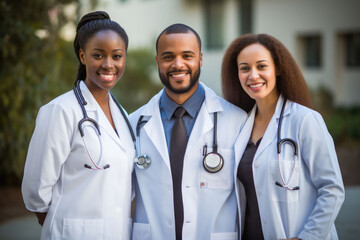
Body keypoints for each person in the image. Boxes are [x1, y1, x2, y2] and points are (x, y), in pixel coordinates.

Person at [21, 11, 135, 240]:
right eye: (98, 55)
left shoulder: (123, 115)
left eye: (117, 56)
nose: (108, 64)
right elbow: (37, 189)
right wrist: (66, 224)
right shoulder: (60, 111)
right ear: (82, 56)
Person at [128, 24, 247, 240]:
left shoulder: (237, 121)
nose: (178, 64)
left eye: (187, 55)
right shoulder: (133, 123)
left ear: (200, 59)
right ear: (157, 62)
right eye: (168, 57)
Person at [221, 33, 345, 240]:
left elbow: (332, 188)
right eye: (244, 68)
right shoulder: (239, 125)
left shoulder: (304, 120)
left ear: (277, 69)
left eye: (261, 66)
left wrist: (307, 237)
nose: (253, 75)